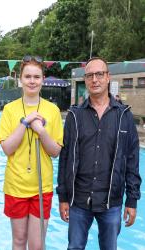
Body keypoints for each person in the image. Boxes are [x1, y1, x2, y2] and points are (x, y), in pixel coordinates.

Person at [57, 57, 141, 249]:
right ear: (85, 80)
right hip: (78, 199)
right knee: (75, 247)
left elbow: (132, 160)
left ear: (108, 77)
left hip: (111, 201)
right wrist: (63, 197)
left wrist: (132, 199)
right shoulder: (74, 116)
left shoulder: (124, 116)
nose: (95, 79)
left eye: (99, 74)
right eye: (89, 75)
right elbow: (65, 158)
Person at [0, 55, 63, 249]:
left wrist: (41, 130)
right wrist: (25, 123)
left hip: (41, 188)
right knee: (18, 241)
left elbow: (55, 152)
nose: (32, 81)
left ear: (43, 79)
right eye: (28, 77)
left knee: (37, 245)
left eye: (36, 77)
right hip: (16, 185)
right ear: (20, 79)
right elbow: (7, 149)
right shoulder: (10, 110)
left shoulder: (52, 110)